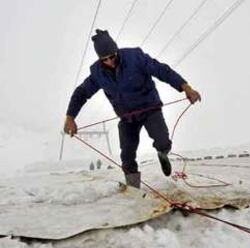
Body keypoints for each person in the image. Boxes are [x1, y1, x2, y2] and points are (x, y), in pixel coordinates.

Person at [64, 29, 201, 188]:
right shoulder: (97, 73)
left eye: (112, 56)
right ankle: (133, 190)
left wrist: (185, 87)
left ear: (116, 51)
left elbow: (162, 70)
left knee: (162, 141)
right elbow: (81, 93)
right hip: (127, 118)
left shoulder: (135, 57)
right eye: (105, 59)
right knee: (127, 157)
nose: (109, 61)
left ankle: (162, 153)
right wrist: (70, 117)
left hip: (150, 109)